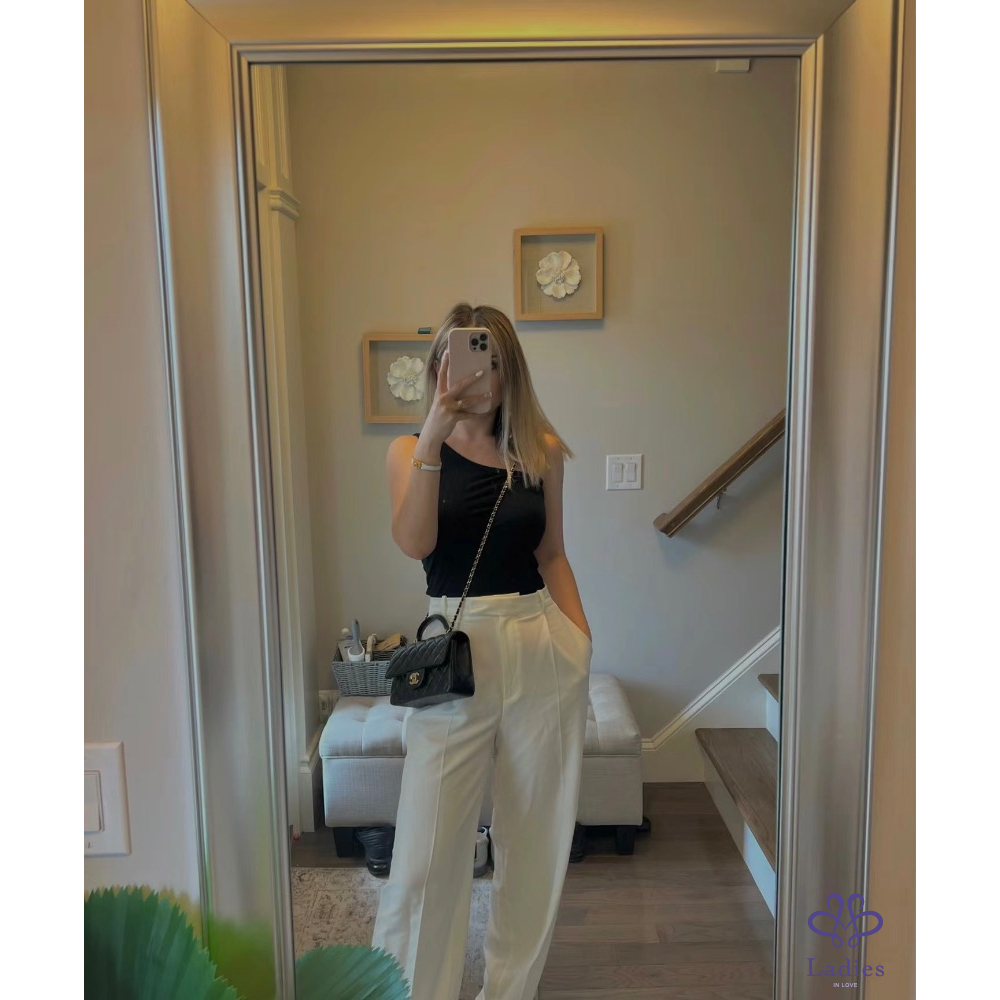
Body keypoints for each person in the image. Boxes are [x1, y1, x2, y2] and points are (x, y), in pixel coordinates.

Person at [371, 303, 593, 1000]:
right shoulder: (409, 450)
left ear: (511, 370)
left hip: (539, 642)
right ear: (440, 369)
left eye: (495, 363)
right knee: (424, 855)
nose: (482, 378)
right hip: (456, 654)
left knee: (535, 843)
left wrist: (580, 641)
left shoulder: (541, 450)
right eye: (468, 362)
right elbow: (416, 544)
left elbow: (552, 553)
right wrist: (435, 436)